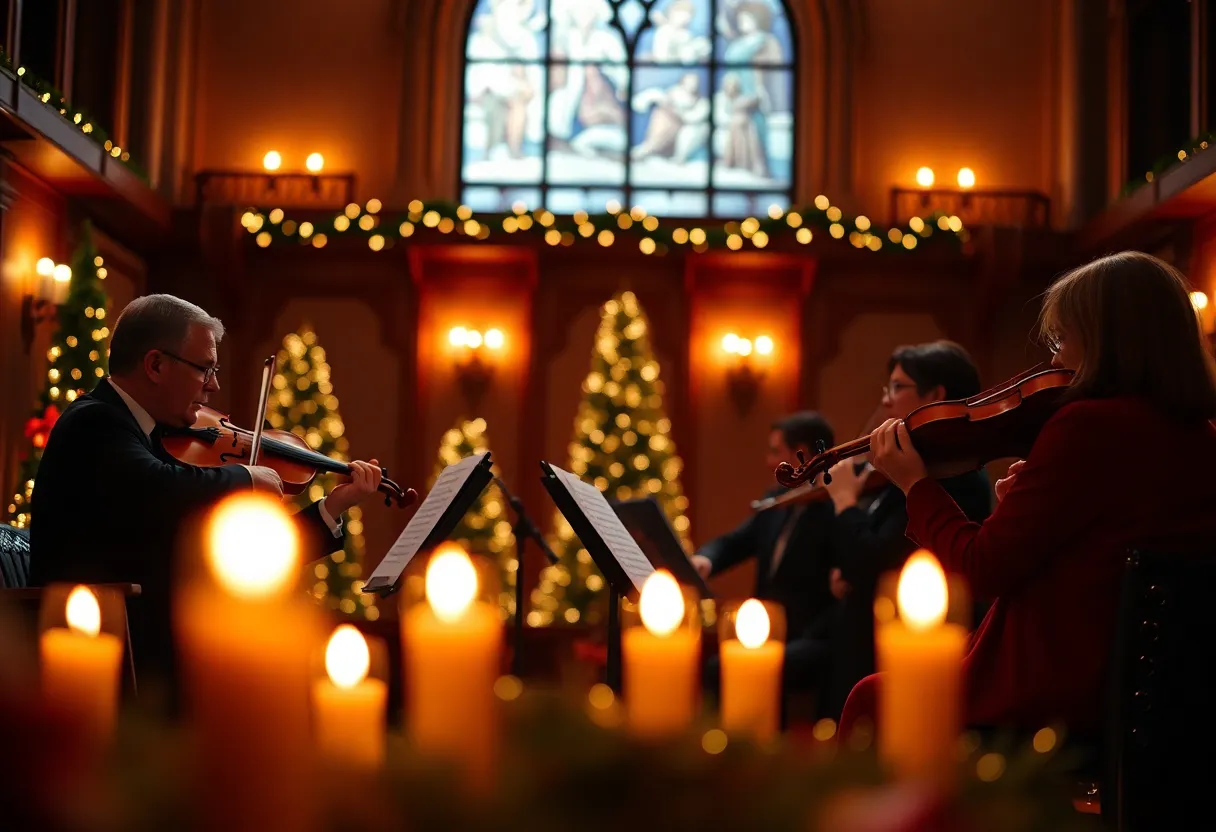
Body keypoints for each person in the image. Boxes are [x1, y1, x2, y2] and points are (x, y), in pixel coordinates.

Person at [843, 251, 1216, 738]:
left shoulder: (1089, 425)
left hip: (1057, 696)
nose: (1055, 359)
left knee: (871, 697)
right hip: (1162, 705)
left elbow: (979, 568)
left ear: (1106, 339)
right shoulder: (1201, 437)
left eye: (1063, 338)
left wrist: (916, 484)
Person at [28, 294, 399, 696]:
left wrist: (333, 506)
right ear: (155, 365)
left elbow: (247, 557)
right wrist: (246, 478)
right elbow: (158, 487)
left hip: (152, 650)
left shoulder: (149, 436)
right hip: (117, 662)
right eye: (205, 369)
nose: (214, 384)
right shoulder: (95, 422)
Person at [819, 341, 993, 719]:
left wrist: (846, 502)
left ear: (936, 395)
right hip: (865, 649)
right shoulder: (913, 467)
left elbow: (878, 564)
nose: (886, 401)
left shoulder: (951, 475)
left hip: (898, 668)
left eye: (897, 388)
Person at [691, 411, 838, 640]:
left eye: (775, 452)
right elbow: (737, 541)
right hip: (763, 633)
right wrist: (706, 559)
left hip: (807, 644)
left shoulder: (836, 509)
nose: (769, 462)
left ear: (802, 453)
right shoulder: (778, 498)